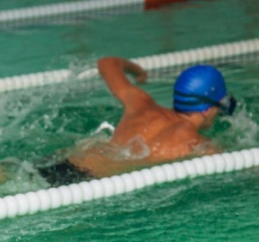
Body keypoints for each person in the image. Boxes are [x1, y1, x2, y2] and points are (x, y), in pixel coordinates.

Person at [37, 57, 237, 185]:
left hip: (59, 161)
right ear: (207, 110)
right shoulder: (197, 145)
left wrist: (138, 71)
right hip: (84, 182)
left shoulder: (142, 104)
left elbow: (107, 63)